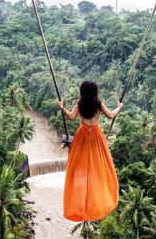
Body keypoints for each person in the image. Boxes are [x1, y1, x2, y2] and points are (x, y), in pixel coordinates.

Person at [58, 80, 123, 222]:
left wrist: (62, 108)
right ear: (95, 92)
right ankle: (96, 198)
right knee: (97, 165)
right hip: (96, 136)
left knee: (80, 166)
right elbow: (111, 115)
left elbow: (70, 116)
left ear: (82, 92)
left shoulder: (80, 104)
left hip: (82, 135)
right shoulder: (98, 103)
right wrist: (119, 107)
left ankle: (81, 202)